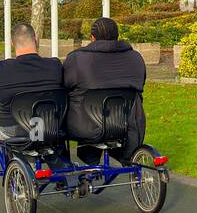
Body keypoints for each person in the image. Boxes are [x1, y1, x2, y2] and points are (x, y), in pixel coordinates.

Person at [0, 22, 66, 167]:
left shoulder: (3, 69)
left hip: (12, 130)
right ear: (36, 39)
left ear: (13, 43)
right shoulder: (55, 65)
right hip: (47, 127)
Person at [62, 16, 147, 164]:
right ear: (117, 37)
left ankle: (72, 163)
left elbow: (65, 86)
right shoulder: (135, 58)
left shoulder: (77, 59)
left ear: (92, 38)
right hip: (124, 124)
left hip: (85, 126)